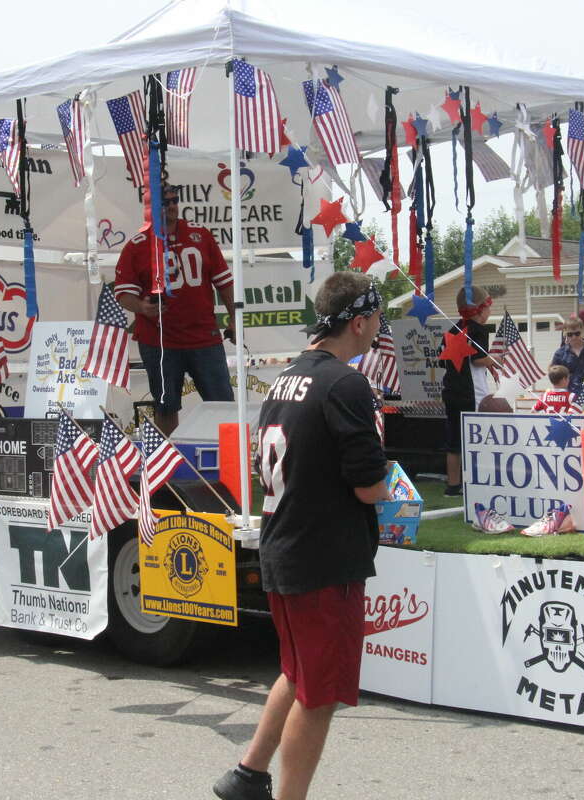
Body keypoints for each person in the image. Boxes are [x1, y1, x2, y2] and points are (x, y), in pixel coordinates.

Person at [214, 272, 390, 800]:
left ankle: (247, 774)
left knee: (297, 672)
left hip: (284, 545)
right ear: (359, 323)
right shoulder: (346, 383)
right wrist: (385, 483)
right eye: (377, 320)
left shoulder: (285, 378)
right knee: (318, 695)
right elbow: (368, 488)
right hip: (322, 558)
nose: (378, 329)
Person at [113, 183, 236, 435]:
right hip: (160, 341)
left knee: (223, 404)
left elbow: (224, 282)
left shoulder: (200, 235)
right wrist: (142, 307)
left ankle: (228, 466)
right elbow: (123, 293)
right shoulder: (137, 245)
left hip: (204, 337)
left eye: (174, 201)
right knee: (166, 407)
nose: (171, 206)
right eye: (164, 202)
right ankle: (168, 467)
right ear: (150, 208)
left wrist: (235, 318)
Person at [438, 286, 498, 497]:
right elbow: (478, 359)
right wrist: (496, 360)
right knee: (475, 438)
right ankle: (476, 481)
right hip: (472, 393)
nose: (490, 312)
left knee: (453, 440)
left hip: (451, 391)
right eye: (488, 307)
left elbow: (441, 355)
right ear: (479, 310)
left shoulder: (453, 330)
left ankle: (453, 485)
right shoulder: (477, 330)